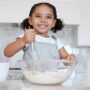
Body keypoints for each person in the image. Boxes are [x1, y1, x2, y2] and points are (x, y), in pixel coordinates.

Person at [4, 2, 76, 61]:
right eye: (38, 16)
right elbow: (7, 53)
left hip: (51, 78)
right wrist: (23, 41)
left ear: (53, 23)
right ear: (31, 20)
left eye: (48, 17)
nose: (43, 20)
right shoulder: (27, 37)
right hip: (31, 78)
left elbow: (67, 59)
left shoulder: (56, 42)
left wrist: (71, 58)